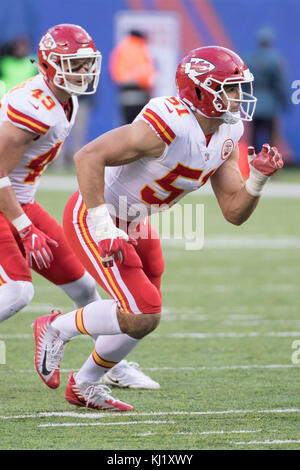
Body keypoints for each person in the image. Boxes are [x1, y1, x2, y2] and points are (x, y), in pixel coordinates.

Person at [33, 46, 283, 412]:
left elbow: (233, 210)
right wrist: (104, 227)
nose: (237, 96)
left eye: (238, 87)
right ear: (199, 91)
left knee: (143, 319)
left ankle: (85, 384)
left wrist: (257, 178)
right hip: (95, 216)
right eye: (227, 88)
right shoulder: (169, 123)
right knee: (143, 311)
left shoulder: (229, 130)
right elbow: (88, 156)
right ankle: (56, 327)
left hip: (135, 222)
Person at [0, 23, 158, 391]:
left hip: (20, 200)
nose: (83, 72)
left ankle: (111, 366)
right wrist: (24, 227)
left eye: (87, 63)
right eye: (74, 64)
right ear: (48, 65)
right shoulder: (33, 107)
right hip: (7, 202)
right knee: (19, 292)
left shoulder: (63, 100)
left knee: (85, 288)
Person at [245, 27, 288, 153]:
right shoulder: (274, 59)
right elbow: (280, 84)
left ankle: (251, 162)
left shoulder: (249, 58)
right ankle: (269, 162)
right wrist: (285, 102)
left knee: (253, 136)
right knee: (271, 136)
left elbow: (245, 83)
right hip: (269, 103)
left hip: (252, 103)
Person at [109, 30, 156, 124]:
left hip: (124, 96)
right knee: (140, 126)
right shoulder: (142, 49)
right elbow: (147, 75)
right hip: (141, 95)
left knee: (126, 127)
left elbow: (115, 74)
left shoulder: (121, 49)